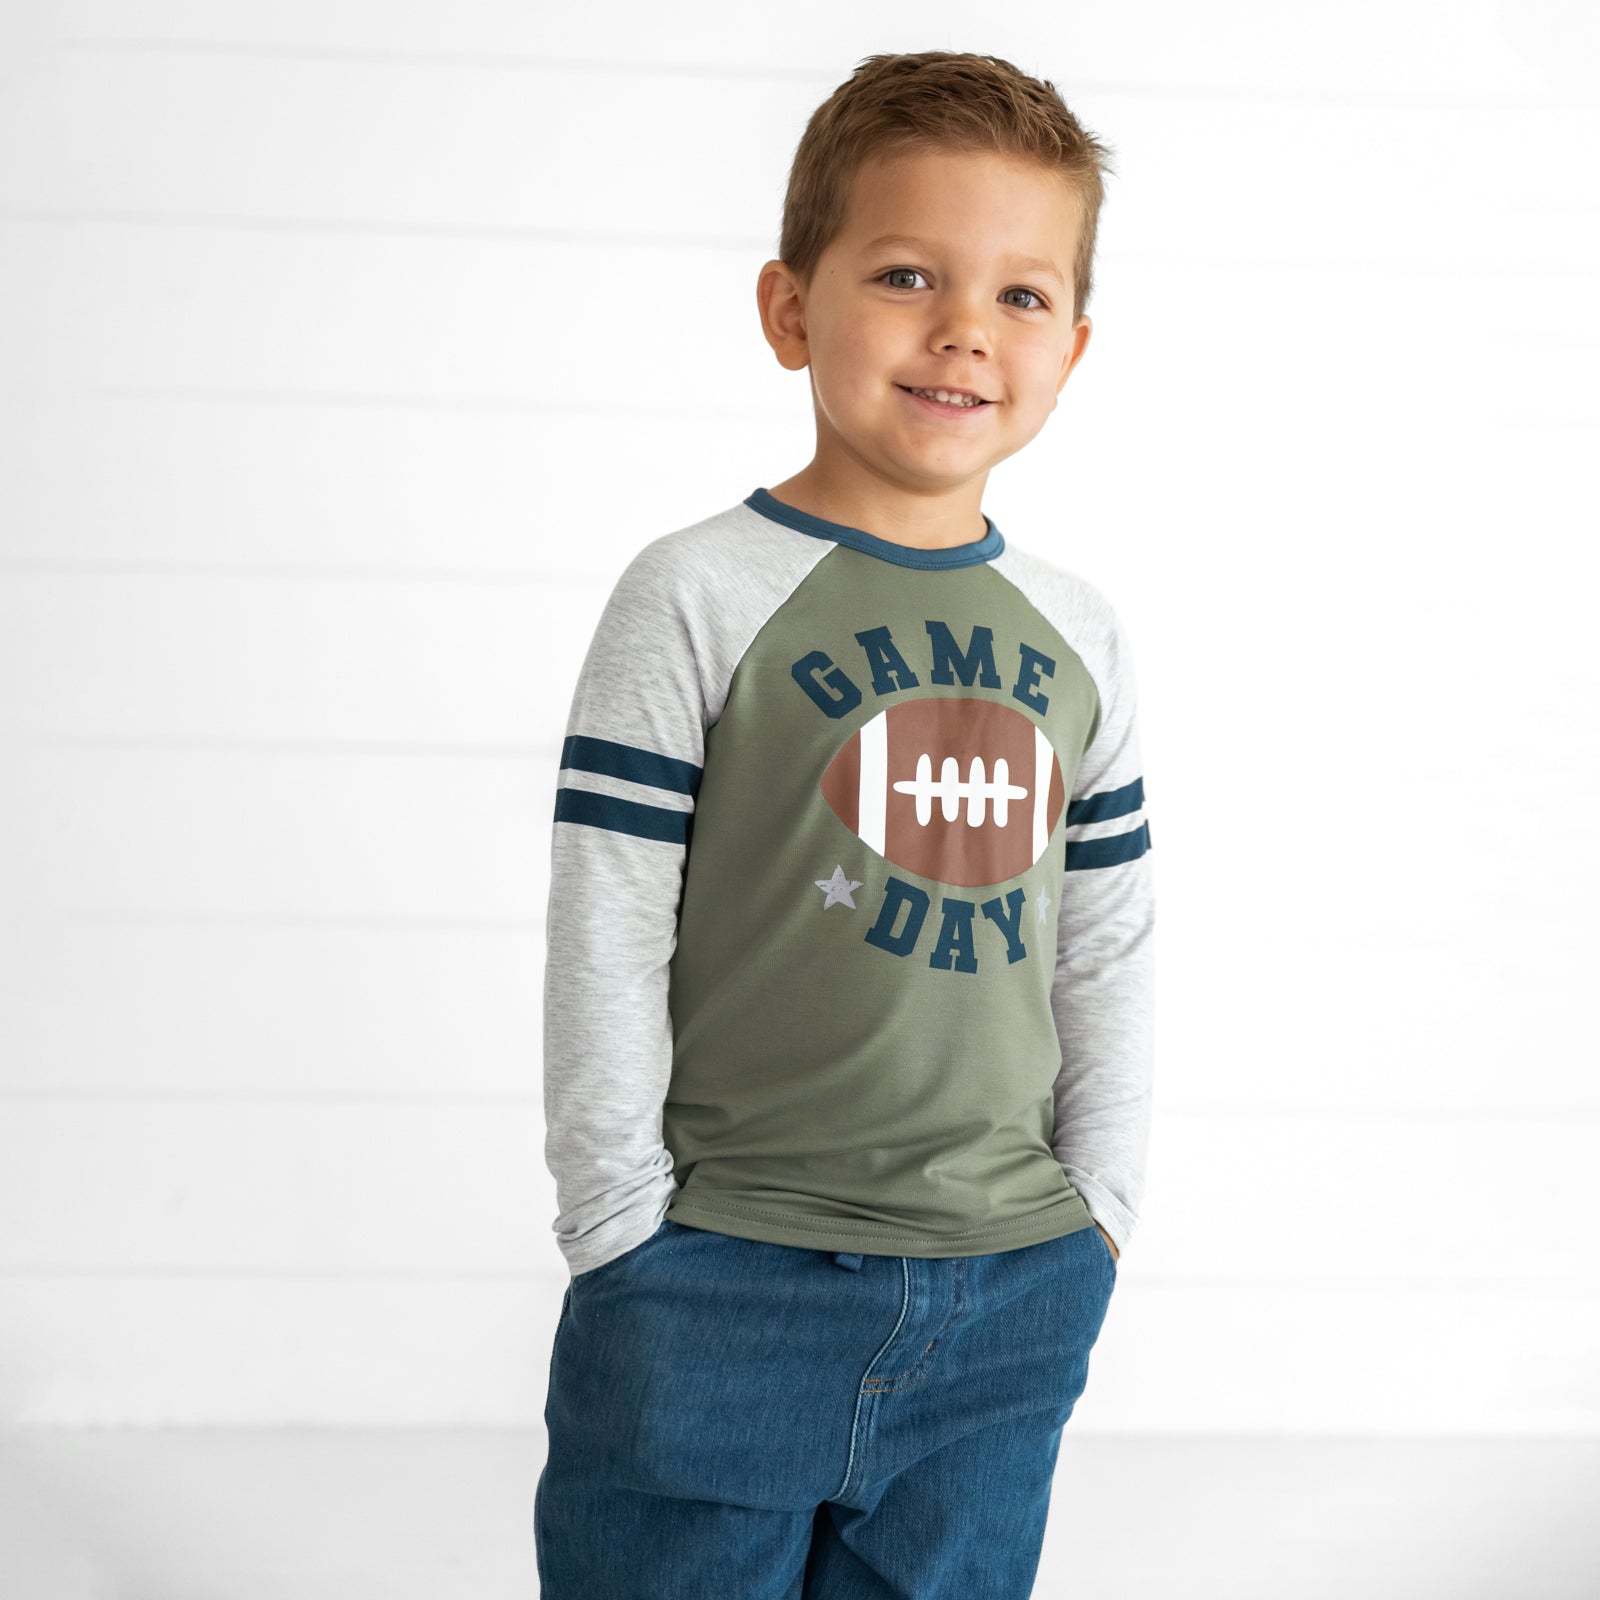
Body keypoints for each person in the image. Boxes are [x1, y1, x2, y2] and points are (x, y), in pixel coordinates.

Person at [534, 49, 1154, 1600]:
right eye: (905, 273)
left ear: (1072, 351)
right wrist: (619, 1219)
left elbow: (1108, 938)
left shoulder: (1079, 633)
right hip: (719, 1277)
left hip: (1009, 1283)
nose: (962, 328)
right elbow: (609, 908)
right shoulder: (694, 593)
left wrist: (1105, 1212)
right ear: (790, 308)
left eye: (1020, 296)